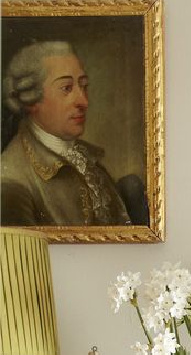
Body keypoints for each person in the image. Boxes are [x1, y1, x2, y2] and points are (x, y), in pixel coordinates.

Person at [1, 40, 135, 227]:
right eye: (66, 88)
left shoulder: (85, 159)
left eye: (84, 86)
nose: (83, 101)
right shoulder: (12, 183)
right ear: (31, 100)